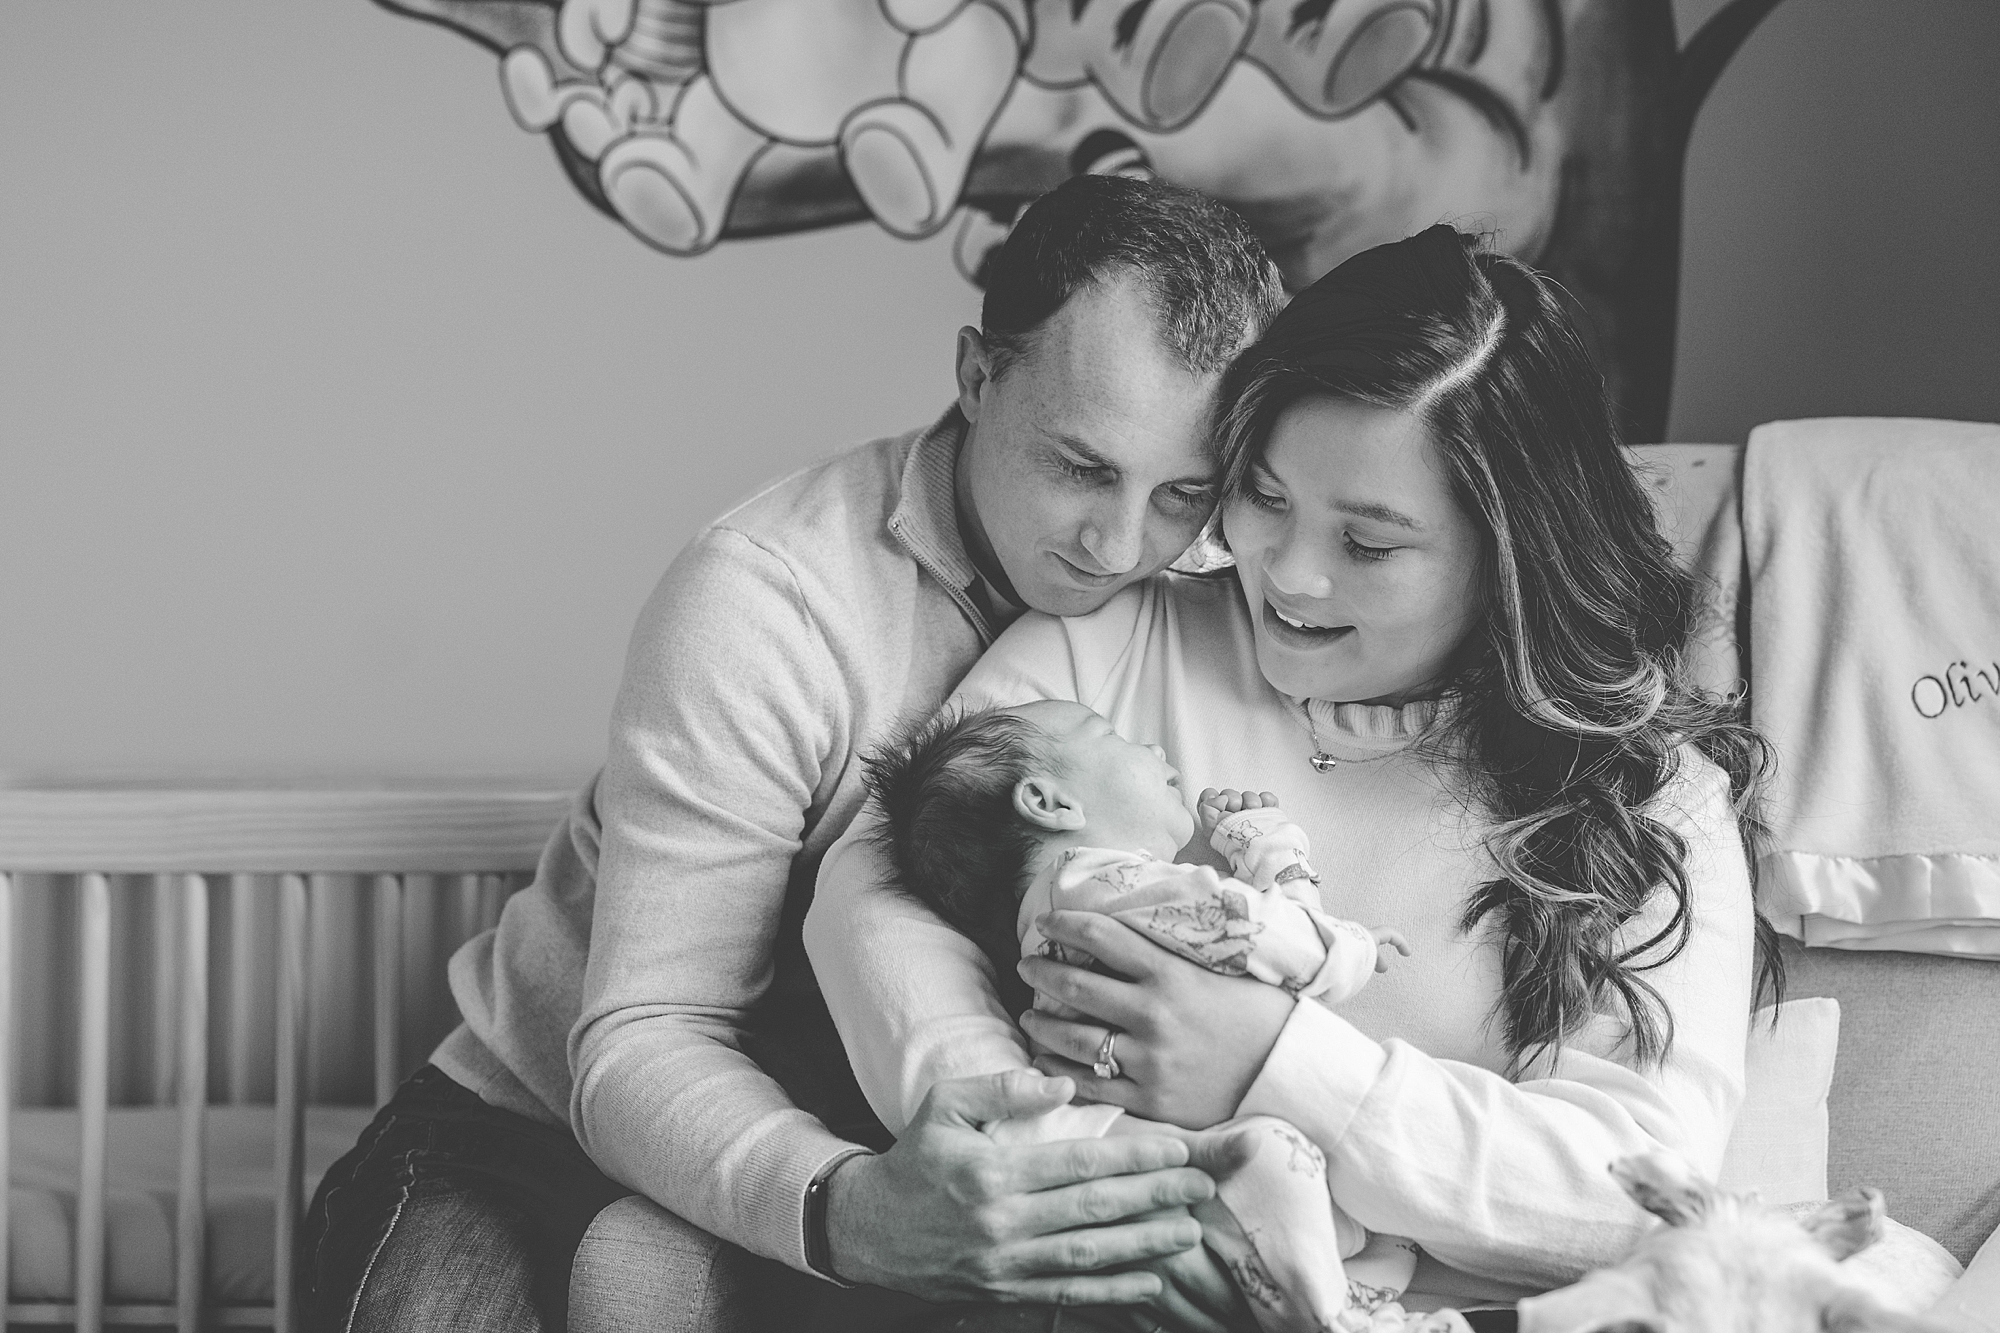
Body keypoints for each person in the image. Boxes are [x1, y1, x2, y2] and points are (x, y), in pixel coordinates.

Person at [298, 174, 1287, 1333]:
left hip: (876, 1149)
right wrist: (851, 1209)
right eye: (1079, 467)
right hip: (526, 1131)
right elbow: (646, 1036)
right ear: (976, 377)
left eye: (1181, 495)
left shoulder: (1214, 597)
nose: (1121, 544)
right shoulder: (765, 601)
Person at [806, 223, 1784, 1332]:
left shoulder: (1646, 795)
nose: (1286, 573)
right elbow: (872, 896)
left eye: (1367, 544)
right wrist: (1062, 1172)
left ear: (1508, 553)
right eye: (1264, 498)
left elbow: (1640, 1189)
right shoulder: (1110, 647)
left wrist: (1273, 1066)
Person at [861, 700, 1431, 1332]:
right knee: (1306, 1180)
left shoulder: (1074, 908)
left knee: (1371, 1231)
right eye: (1112, 736)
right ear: (1048, 803)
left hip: (1194, 1158)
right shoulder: (1090, 882)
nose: (1157, 751)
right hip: (1190, 1153)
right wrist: (1334, 925)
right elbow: (1258, 935)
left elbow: (1251, 943)